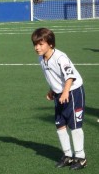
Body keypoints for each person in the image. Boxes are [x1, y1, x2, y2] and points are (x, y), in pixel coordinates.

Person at [31, 28, 87, 170]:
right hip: (59, 94)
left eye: (40, 44)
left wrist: (65, 92)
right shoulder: (41, 59)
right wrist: (52, 90)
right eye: (35, 44)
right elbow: (54, 77)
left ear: (50, 44)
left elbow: (70, 76)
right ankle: (68, 155)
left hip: (73, 92)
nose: (37, 47)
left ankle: (81, 158)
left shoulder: (60, 58)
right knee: (60, 124)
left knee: (74, 124)